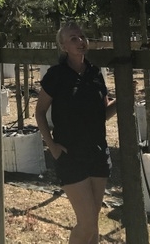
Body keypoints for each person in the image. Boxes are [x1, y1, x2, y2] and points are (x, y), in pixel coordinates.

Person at [35, 21, 116, 244]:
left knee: (93, 222)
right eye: (73, 38)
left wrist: (125, 97)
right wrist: (51, 146)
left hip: (98, 153)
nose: (80, 41)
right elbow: (40, 112)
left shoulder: (95, 73)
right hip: (70, 155)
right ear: (63, 47)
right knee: (87, 222)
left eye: (81, 37)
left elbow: (103, 114)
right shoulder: (56, 75)